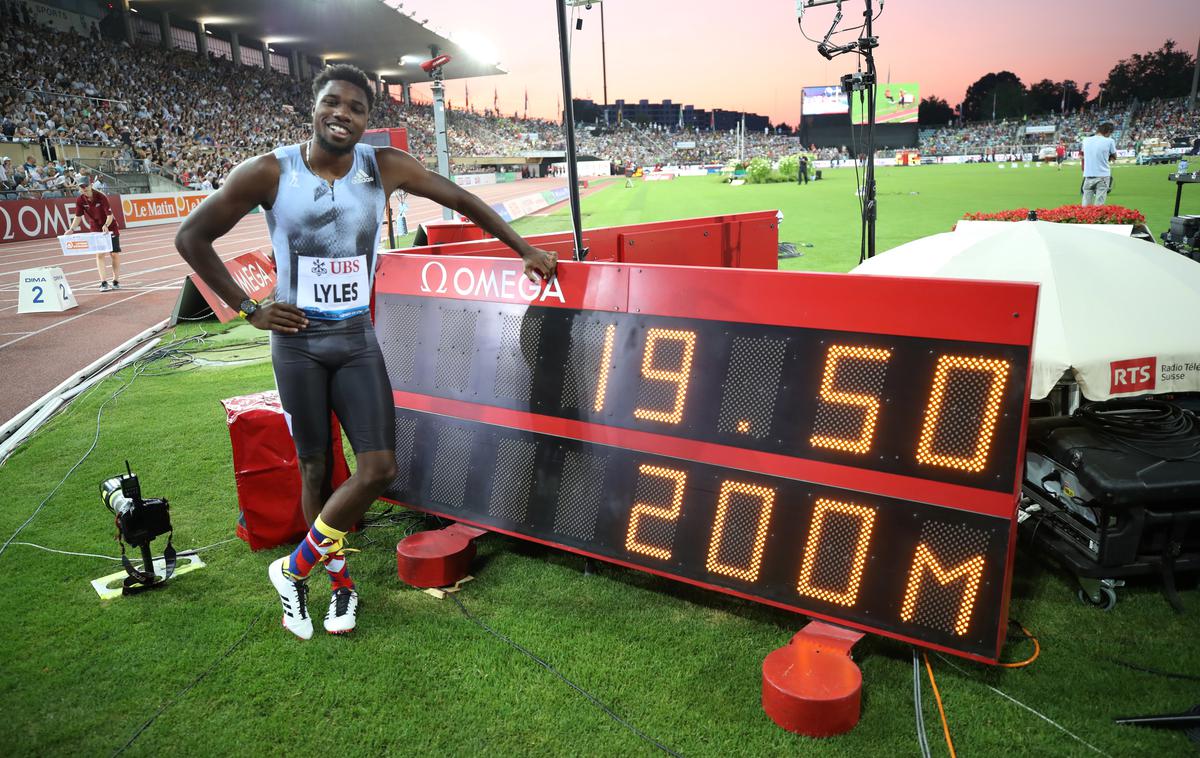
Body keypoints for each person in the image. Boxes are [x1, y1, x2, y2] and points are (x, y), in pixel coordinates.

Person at [175, 64, 557, 640]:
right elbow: (192, 237)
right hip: (297, 344)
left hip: (355, 340)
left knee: (378, 468)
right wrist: (250, 308)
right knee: (315, 468)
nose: (342, 115)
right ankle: (336, 589)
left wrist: (522, 248)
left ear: (367, 121)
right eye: (333, 103)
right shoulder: (269, 172)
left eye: (356, 108)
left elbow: (459, 196)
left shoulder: (383, 169)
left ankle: (292, 570)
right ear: (312, 106)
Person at [67, 176, 121, 290]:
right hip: (96, 228)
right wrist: (71, 229)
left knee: (114, 254)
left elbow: (109, 215)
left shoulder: (101, 197)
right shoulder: (80, 200)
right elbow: (78, 217)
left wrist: (106, 225)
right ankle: (103, 282)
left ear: (91, 185)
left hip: (110, 226)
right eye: (81, 187)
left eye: (85, 186)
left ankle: (115, 280)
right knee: (99, 254)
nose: (84, 188)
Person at [1081, 122, 1117, 206]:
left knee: (1086, 203)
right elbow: (1114, 156)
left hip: (1088, 175)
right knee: (1099, 204)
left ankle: (1085, 218)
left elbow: (1084, 153)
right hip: (1103, 175)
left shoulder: (1085, 140)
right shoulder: (1110, 141)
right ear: (1108, 131)